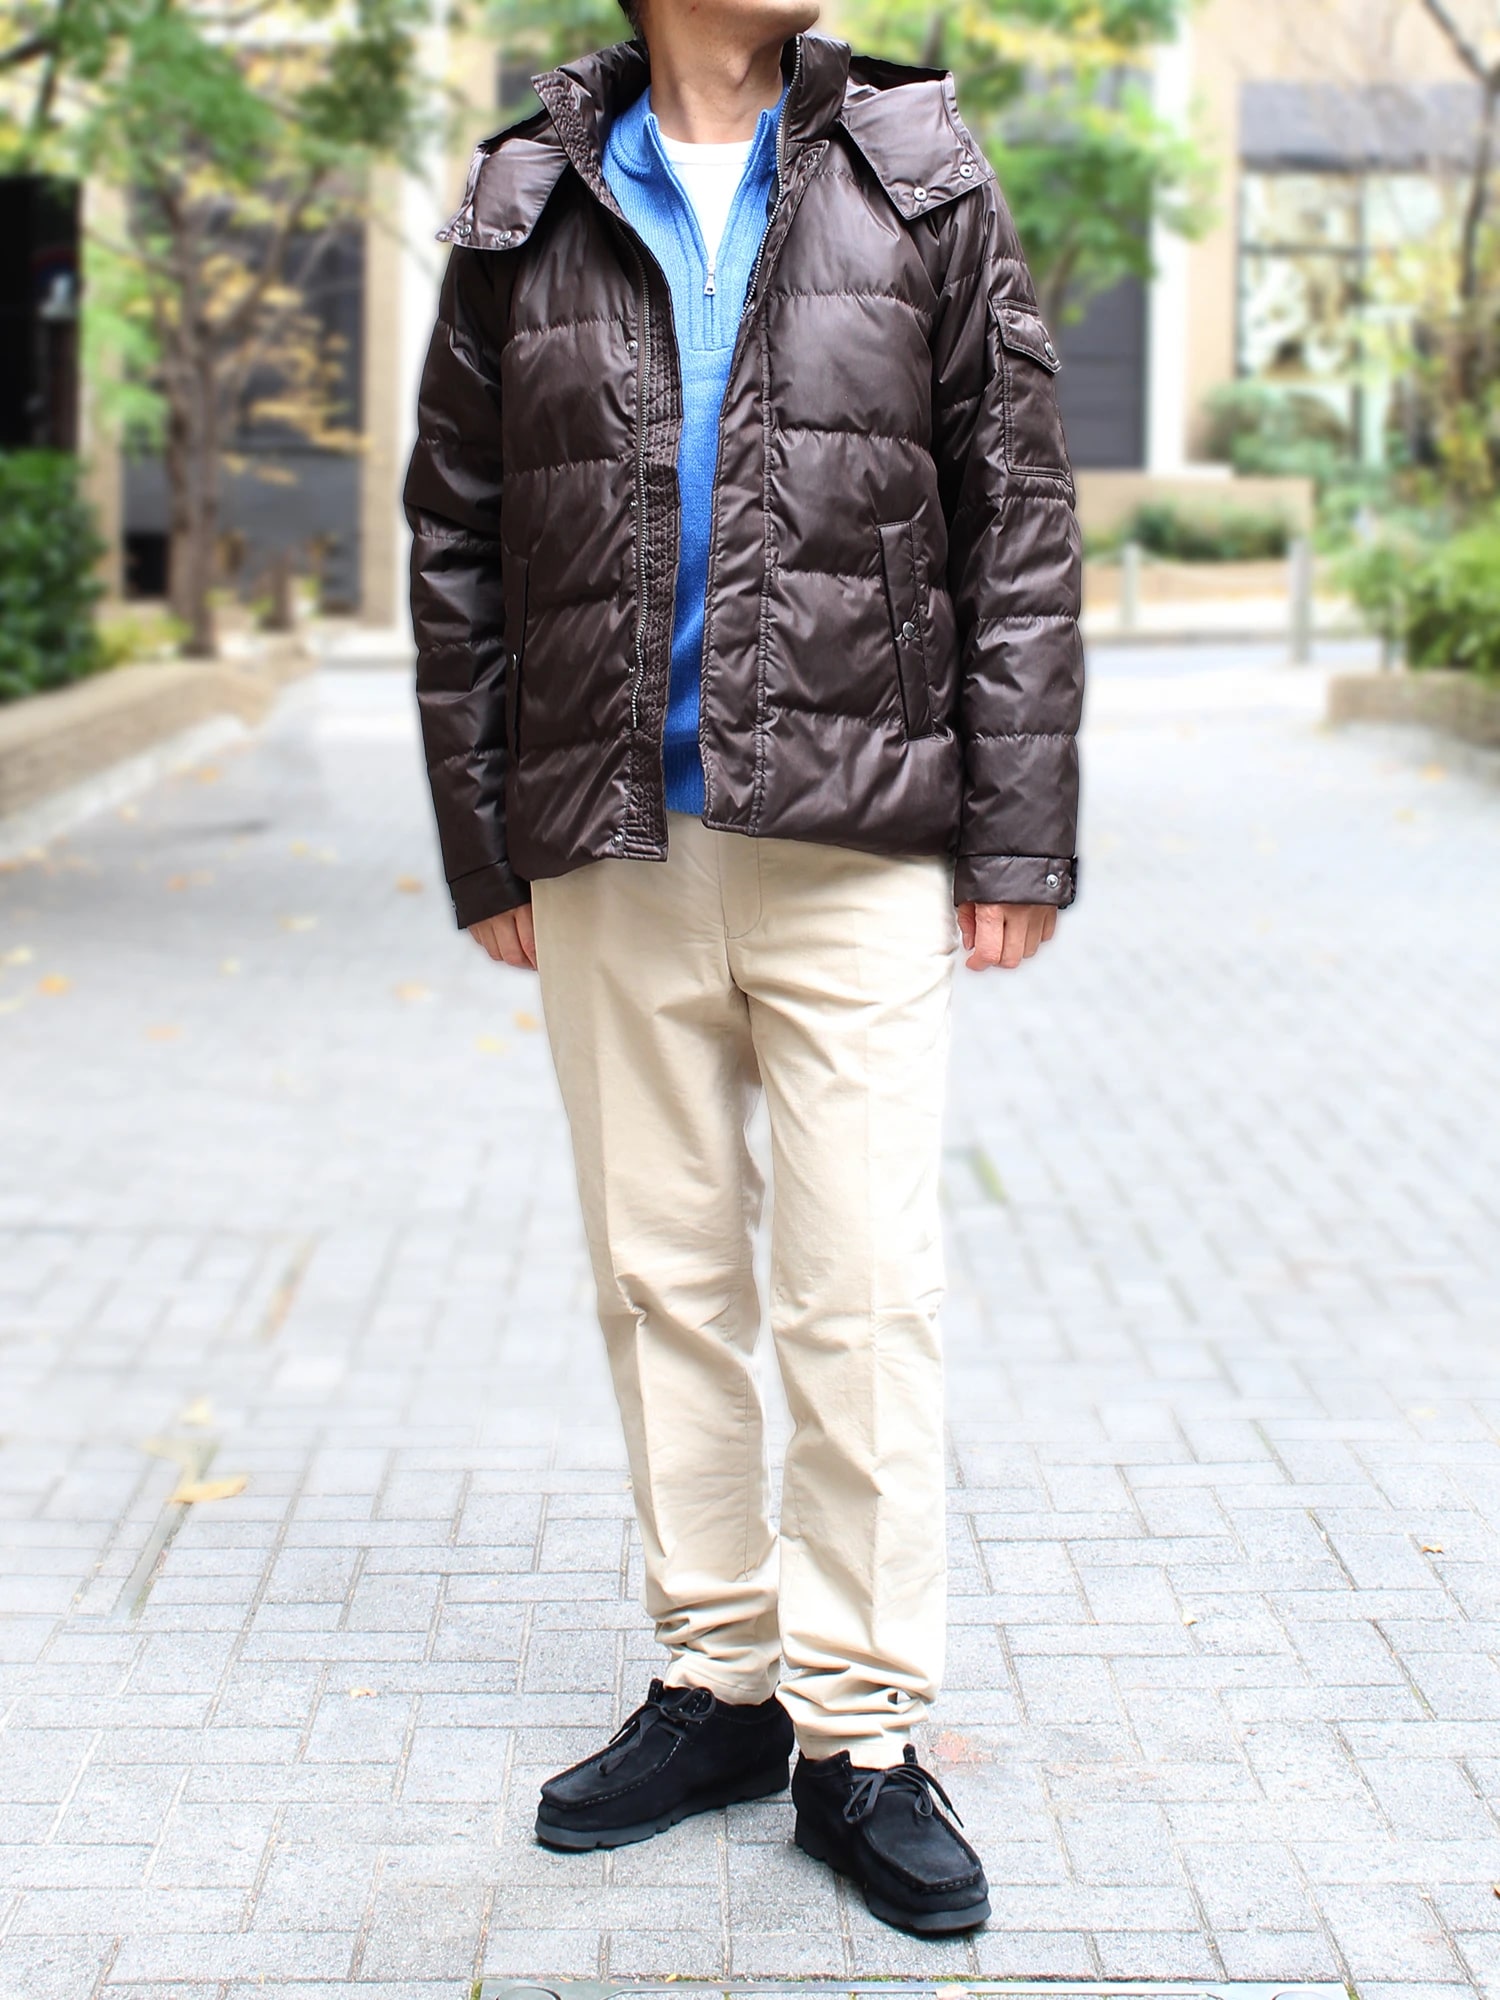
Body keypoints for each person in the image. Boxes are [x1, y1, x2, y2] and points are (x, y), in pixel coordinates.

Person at [404, 0, 1081, 1938]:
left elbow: (1017, 517)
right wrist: (485, 834)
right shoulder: (527, 198)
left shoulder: (916, 169)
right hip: (608, 833)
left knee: (859, 1290)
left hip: (855, 834)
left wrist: (1017, 831)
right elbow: (455, 538)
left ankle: (859, 1731)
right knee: (662, 1276)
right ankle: (720, 1682)